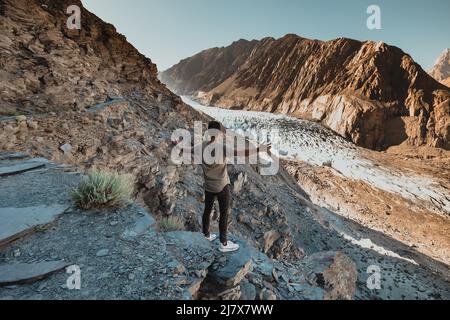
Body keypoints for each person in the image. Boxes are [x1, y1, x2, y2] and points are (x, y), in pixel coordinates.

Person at [184, 121, 271, 253]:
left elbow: (188, 150)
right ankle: (224, 243)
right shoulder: (222, 148)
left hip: (208, 186)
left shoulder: (200, 146)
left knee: (207, 210)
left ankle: (206, 234)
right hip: (222, 186)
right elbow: (242, 153)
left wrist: (178, 147)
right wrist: (259, 149)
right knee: (224, 213)